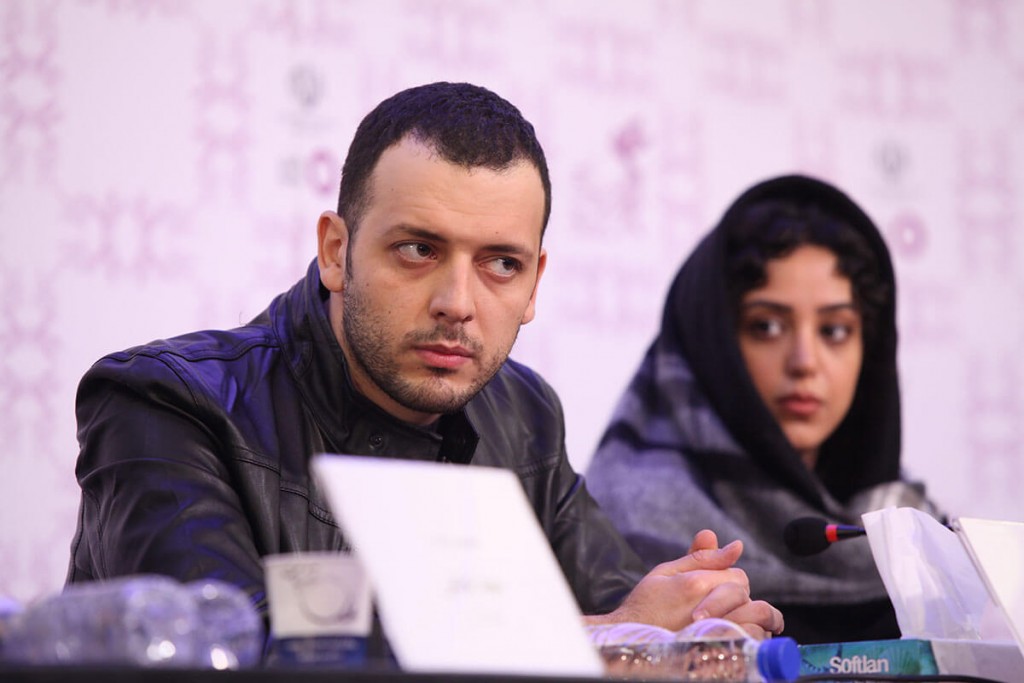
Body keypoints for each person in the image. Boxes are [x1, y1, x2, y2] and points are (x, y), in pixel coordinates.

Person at [67, 82, 782, 652]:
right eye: (418, 250)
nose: (457, 303)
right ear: (336, 252)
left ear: (535, 283)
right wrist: (611, 638)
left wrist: (697, 619)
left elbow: (631, 608)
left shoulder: (524, 415)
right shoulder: (165, 403)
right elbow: (226, 649)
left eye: (501, 264)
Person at [586, 174, 943, 645]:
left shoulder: (920, 535)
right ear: (712, 344)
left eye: (834, 331)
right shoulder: (610, 533)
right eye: (767, 326)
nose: (804, 362)